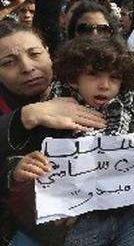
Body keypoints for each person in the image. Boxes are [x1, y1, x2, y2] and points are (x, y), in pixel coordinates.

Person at [7, 35, 134, 246]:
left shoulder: (131, 110)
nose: (104, 85)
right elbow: (26, 163)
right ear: (73, 78)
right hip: (78, 225)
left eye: (114, 77)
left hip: (125, 217)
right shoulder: (54, 113)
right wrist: (22, 167)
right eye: (93, 75)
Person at [0, 20, 107, 245]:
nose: (27, 67)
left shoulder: (89, 87)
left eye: (35, 53)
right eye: (9, 62)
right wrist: (26, 117)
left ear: (49, 53)